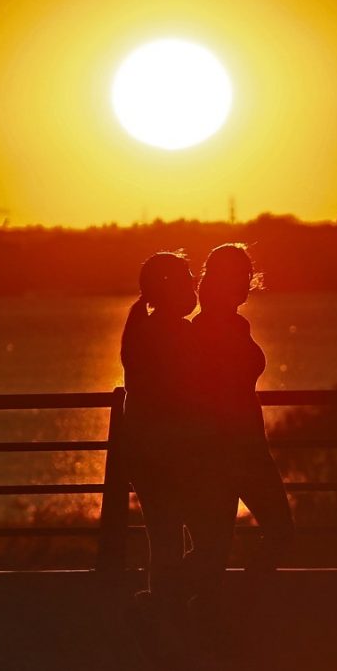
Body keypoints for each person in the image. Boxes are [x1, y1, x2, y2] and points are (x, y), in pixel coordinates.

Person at [187, 243, 295, 601]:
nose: (247, 284)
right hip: (224, 451)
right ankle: (186, 609)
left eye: (248, 276)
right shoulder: (207, 329)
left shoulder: (235, 324)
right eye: (241, 277)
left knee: (264, 534)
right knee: (216, 547)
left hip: (247, 448)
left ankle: (227, 604)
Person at [119, 251, 200, 617]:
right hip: (170, 450)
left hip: (145, 451)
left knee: (165, 534)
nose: (194, 282)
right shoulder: (176, 334)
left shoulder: (142, 331)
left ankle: (163, 603)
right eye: (186, 275)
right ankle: (173, 605)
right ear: (169, 287)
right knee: (196, 536)